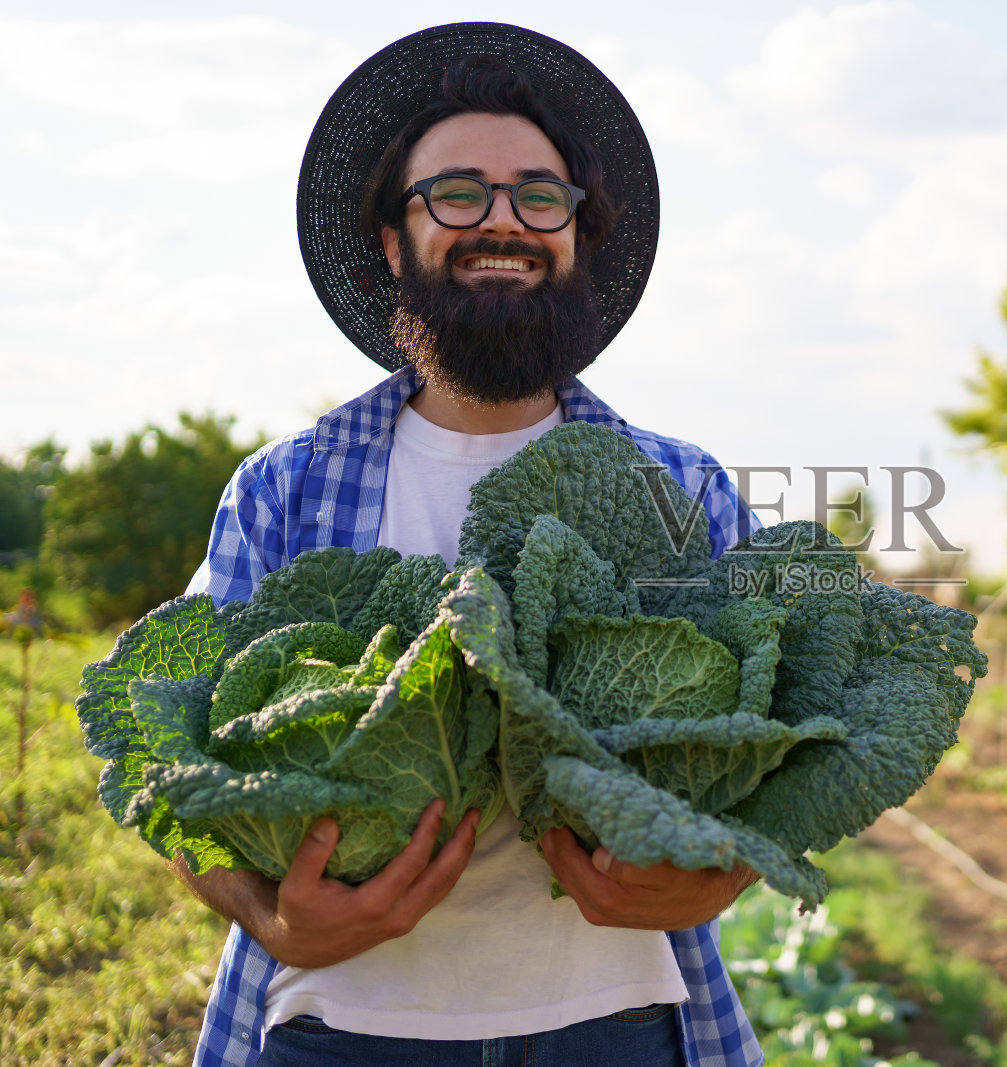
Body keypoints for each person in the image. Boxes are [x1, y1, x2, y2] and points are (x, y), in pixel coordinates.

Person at [180, 23, 764, 1067]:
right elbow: (172, 766)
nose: (505, 221)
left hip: (620, 1022)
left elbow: (778, 752)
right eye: (458, 192)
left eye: (541, 197)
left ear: (578, 238)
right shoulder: (282, 489)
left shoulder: (685, 489)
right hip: (337, 1026)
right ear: (394, 239)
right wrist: (265, 914)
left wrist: (723, 873)